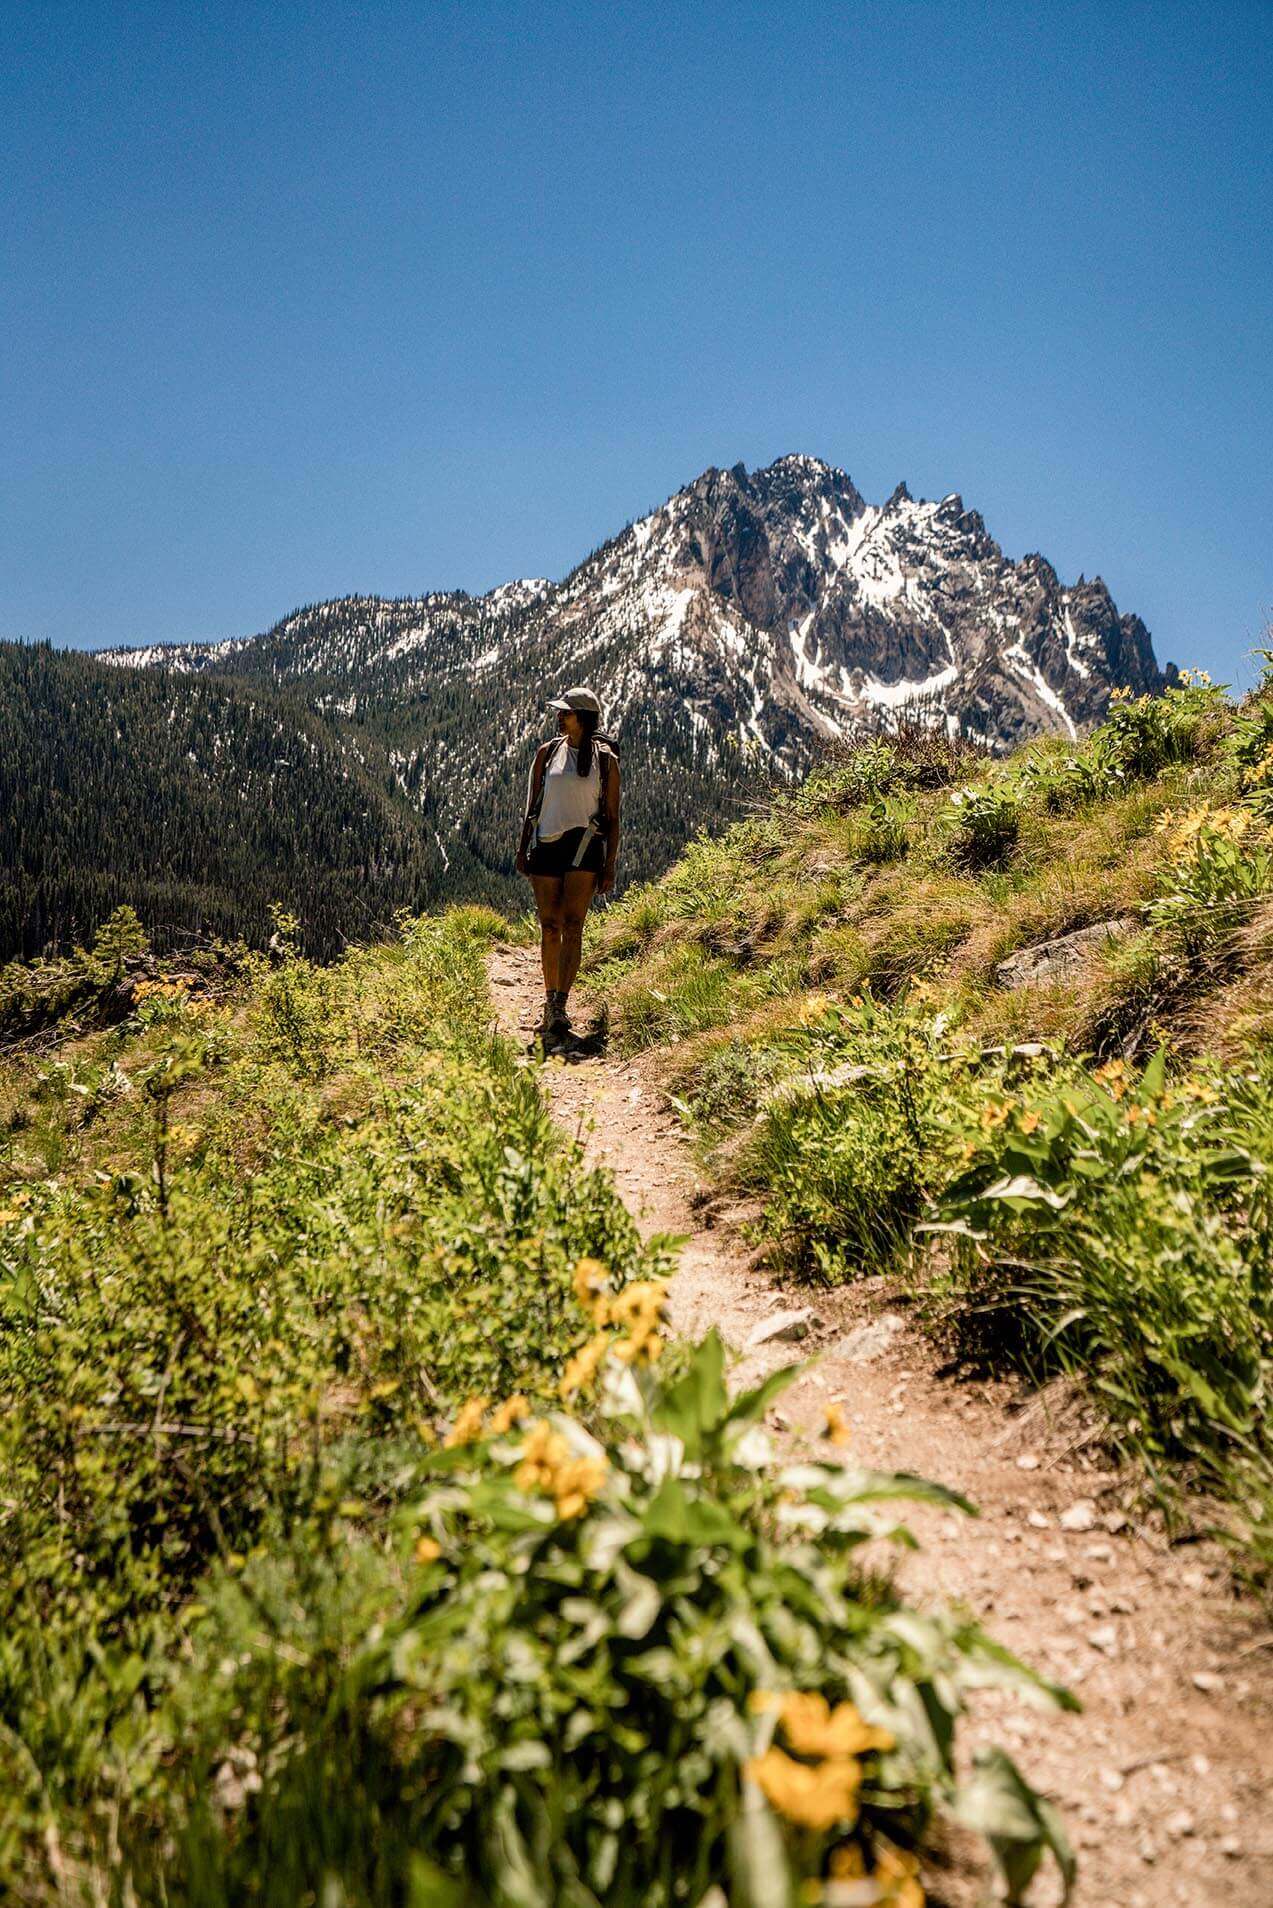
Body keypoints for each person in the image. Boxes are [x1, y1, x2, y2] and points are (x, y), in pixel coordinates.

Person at [516, 686, 620, 1041]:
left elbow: (613, 817)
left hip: (585, 847)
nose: (559, 717)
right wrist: (522, 848)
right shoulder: (547, 753)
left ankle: (560, 1004)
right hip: (546, 844)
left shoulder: (606, 762)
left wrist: (609, 866)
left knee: (573, 925)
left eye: (566, 713)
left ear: (583, 719)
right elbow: (532, 806)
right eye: (560, 713)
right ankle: (550, 1002)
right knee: (550, 925)